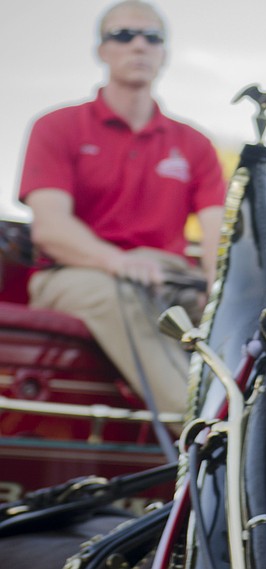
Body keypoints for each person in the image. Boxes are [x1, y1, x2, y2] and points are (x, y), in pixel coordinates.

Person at [18, 0, 225, 419]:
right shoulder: (56, 126)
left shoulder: (194, 144)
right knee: (124, 294)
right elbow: (51, 229)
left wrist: (218, 290)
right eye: (123, 35)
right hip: (74, 275)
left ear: (164, 54)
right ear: (102, 50)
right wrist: (117, 262)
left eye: (152, 38)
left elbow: (217, 236)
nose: (139, 46)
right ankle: (207, 426)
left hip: (165, 275)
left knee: (259, 306)